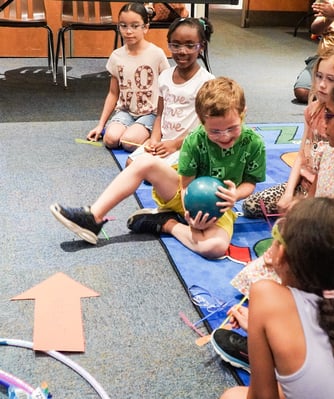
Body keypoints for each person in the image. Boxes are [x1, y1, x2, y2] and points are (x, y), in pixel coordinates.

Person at [217, 77, 334, 370]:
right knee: (263, 277)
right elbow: (309, 203)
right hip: (309, 239)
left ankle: (273, 352)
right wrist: (288, 235)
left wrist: (309, 258)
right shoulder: (328, 154)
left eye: (330, 116)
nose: (323, 123)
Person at [50, 77, 266, 259]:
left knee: (215, 249)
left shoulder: (254, 143)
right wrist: (190, 214)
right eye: (215, 132)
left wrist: (234, 195)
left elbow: (250, 183)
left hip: (219, 208)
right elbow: (185, 183)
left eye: (232, 128)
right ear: (201, 121)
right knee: (143, 162)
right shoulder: (194, 140)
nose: (225, 136)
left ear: (243, 113)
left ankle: (166, 223)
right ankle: (93, 217)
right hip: (183, 194)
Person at [219, 197, 334, 399]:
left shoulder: (265, 294)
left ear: (280, 253)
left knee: (232, 396)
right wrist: (263, 331)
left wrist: (259, 336)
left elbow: (260, 397)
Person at [243, 44, 334, 218]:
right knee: (251, 206)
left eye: (331, 79)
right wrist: (288, 193)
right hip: (303, 185)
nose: (322, 85)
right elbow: (301, 155)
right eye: (319, 76)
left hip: (330, 193)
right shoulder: (313, 110)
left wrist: (306, 204)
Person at [127, 17, 215, 167]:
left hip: (188, 145)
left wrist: (175, 144)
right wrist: (154, 140)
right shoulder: (165, 77)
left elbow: (207, 127)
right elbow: (160, 114)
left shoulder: (207, 82)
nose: (182, 51)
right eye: (176, 45)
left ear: (202, 47)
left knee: (155, 172)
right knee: (131, 164)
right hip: (164, 143)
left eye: (190, 45)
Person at [86, 3, 169, 152]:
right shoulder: (116, 56)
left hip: (151, 113)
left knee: (128, 143)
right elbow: (113, 93)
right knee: (110, 140)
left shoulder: (157, 54)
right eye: (123, 26)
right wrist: (101, 125)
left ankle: (150, 137)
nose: (128, 31)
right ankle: (131, 130)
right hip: (125, 112)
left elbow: (168, 88)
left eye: (135, 26)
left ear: (146, 27)